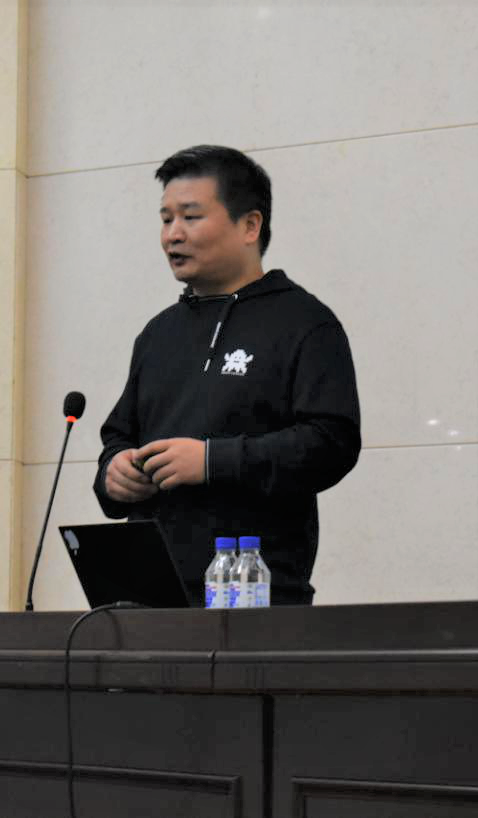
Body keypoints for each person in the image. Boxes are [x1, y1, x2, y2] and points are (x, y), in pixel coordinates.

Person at [93, 145, 361, 605]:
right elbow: (119, 436)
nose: (172, 234)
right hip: (147, 597)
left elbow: (331, 443)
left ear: (250, 225)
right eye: (166, 219)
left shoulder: (304, 323)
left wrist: (211, 461)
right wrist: (114, 475)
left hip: (253, 595)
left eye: (191, 217)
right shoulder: (158, 333)